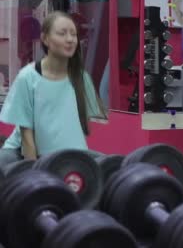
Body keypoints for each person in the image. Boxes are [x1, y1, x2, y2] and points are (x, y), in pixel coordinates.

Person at [0, 11, 105, 164]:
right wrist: (36, 174)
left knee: (112, 166)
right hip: (23, 151)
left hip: (65, 153)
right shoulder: (27, 76)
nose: (70, 39)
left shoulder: (81, 78)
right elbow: (26, 136)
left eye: (73, 34)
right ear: (45, 39)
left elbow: (77, 131)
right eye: (62, 34)